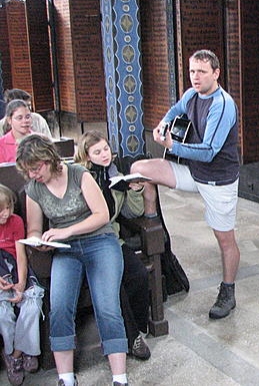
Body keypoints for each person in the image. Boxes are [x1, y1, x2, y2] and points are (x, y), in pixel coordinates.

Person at [130, 49, 240, 320]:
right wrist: (163, 124)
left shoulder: (222, 105)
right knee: (140, 169)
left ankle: (228, 291)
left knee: (225, 239)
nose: (195, 77)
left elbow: (209, 151)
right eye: (192, 71)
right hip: (192, 170)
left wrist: (172, 146)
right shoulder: (191, 95)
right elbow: (176, 109)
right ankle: (154, 229)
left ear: (216, 73)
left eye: (202, 71)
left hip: (217, 179)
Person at [16, 134, 129, 386]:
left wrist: (66, 230)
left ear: (48, 158)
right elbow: (33, 228)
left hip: (99, 241)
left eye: (36, 168)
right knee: (59, 308)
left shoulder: (79, 174)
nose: (33, 174)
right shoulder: (34, 189)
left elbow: (102, 215)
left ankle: (119, 378)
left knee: (107, 307)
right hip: (65, 249)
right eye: (28, 170)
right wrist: (38, 240)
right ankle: (66, 378)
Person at [74, 131, 151, 360]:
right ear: (87, 156)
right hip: (88, 241)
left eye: (106, 149)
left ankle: (137, 327)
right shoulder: (80, 177)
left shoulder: (116, 175)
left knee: (139, 275)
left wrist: (134, 191)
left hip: (112, 239)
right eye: (97, 152)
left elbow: (133, 212)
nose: (104, 155)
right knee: (114, 283)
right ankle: (132, 338)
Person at [0, 183, 43, 386]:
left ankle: (17, 354)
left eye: (8, 207)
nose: (6, 213)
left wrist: (21, 283)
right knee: (3, 313)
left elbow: (20, 254)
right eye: (1, 210)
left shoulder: (15, 221)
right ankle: (13, 352)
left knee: (32, 304)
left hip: (16, 266)